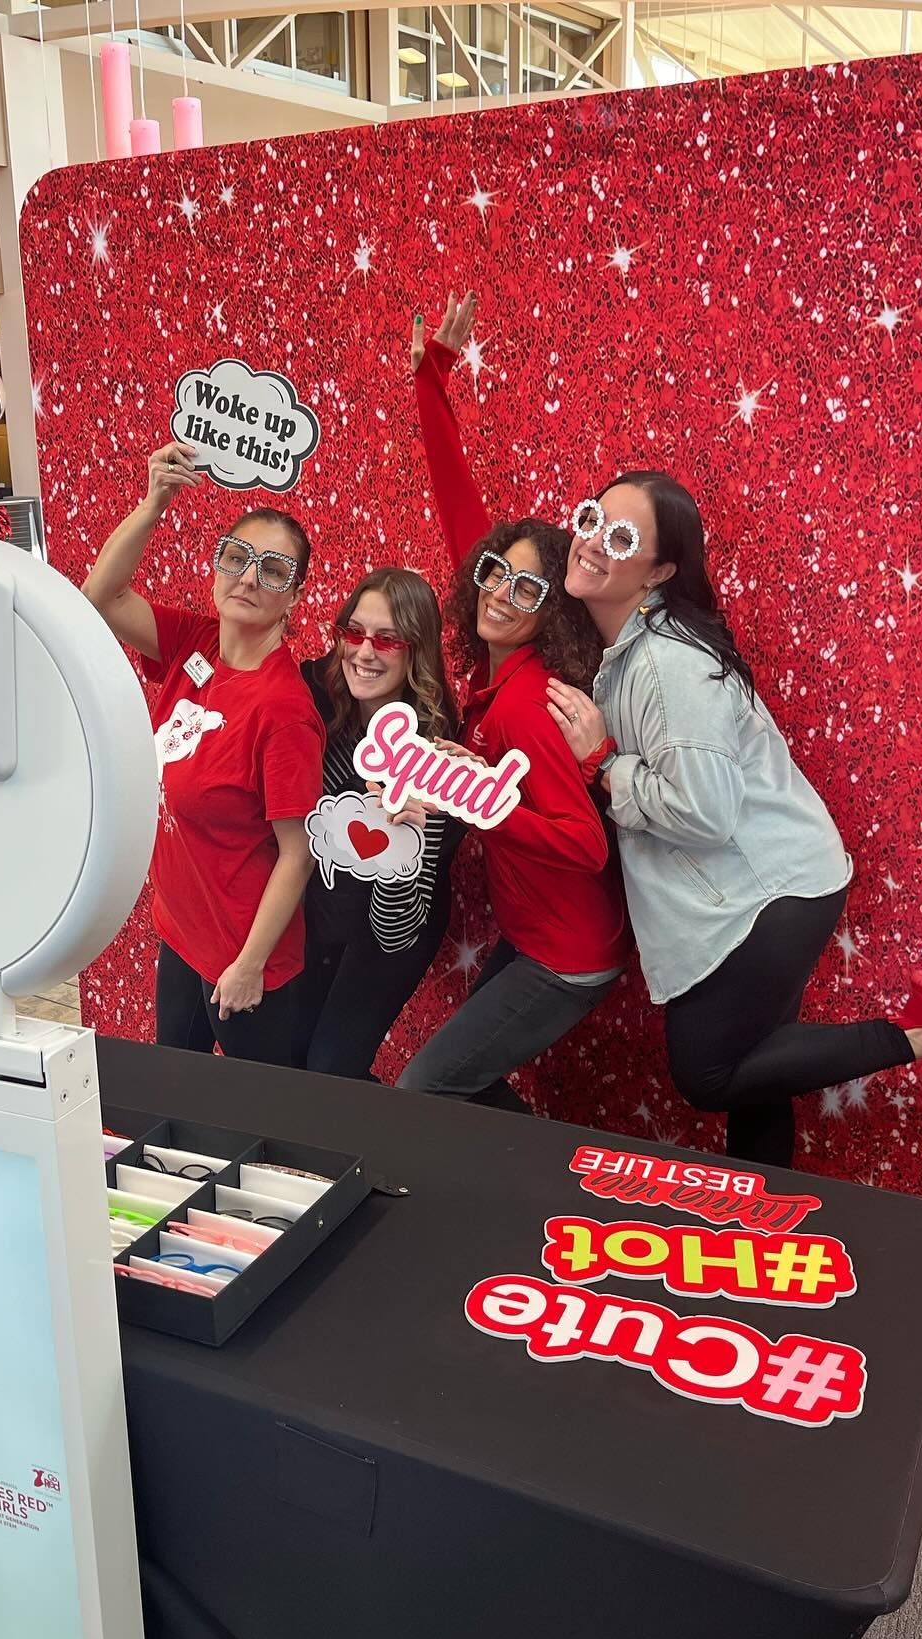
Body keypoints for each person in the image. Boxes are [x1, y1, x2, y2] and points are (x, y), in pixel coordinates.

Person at [365, 278, 922, 1163]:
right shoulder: (585, 641)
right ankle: (767, 1226)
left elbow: (690, 812)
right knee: (752, 1071)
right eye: (591, 523)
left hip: (765, 884)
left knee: (709, 1072)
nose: (584, 548)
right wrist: (433, 385)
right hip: (749, 881)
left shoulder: (656, 665)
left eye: (620, 540)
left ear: (656, 572)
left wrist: (598, 763)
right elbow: (479, 545)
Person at [392, 311, 632, 1105]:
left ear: (551, 609)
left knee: (428, 1087)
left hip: (567, 956)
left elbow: (585, 846)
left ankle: (545, 1189)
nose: (501, 591)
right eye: (495, 572)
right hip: (535, 938)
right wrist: (433, 375)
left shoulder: (531, 703)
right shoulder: (500, 676)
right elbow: (453, 495)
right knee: (461, 1079)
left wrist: (482, 801)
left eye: (528, 587)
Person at [84, 443, 324, 1066]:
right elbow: (100, 599)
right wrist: (154, 501)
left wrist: (248, 967)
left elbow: (296, 857)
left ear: (294, 596)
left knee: (262, 1126)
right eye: (238, 557)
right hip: (184, 935)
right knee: (180, 1099)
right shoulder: (196, 645)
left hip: (246, 963)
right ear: (216, 565)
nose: (249, 577)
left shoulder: (284, 709)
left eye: (272, 570)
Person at [299, 568, 464, 1079]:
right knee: (293, 1052)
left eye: (388, 639)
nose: (364, 652)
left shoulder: (430, 756)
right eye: (354, 632)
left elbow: (396, 932)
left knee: (332, 1066)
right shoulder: (315, 692)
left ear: (417, 649)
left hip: (396, 920)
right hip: (325, 902)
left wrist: (400, 850)